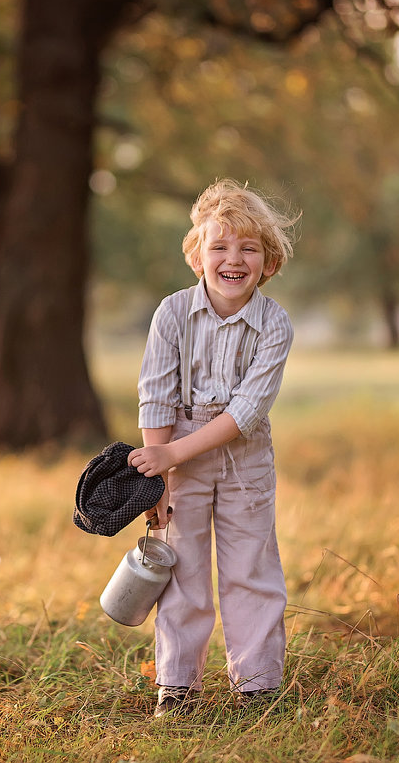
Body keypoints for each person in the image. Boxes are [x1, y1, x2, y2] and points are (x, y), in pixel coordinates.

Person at [127, 178, 297, 718]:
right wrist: (158, 476)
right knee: (182, 567)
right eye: (219, 246)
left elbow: (247, 412)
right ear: (196, 256)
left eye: (249, 248)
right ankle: (177, 685)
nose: (233, 258)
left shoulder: (274, 324)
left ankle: (258, 685)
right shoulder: (172, 314)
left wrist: (173, 455)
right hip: (174, 455)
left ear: (268, 263)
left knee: (252, 566)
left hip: (243, 457)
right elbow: (156, 397)